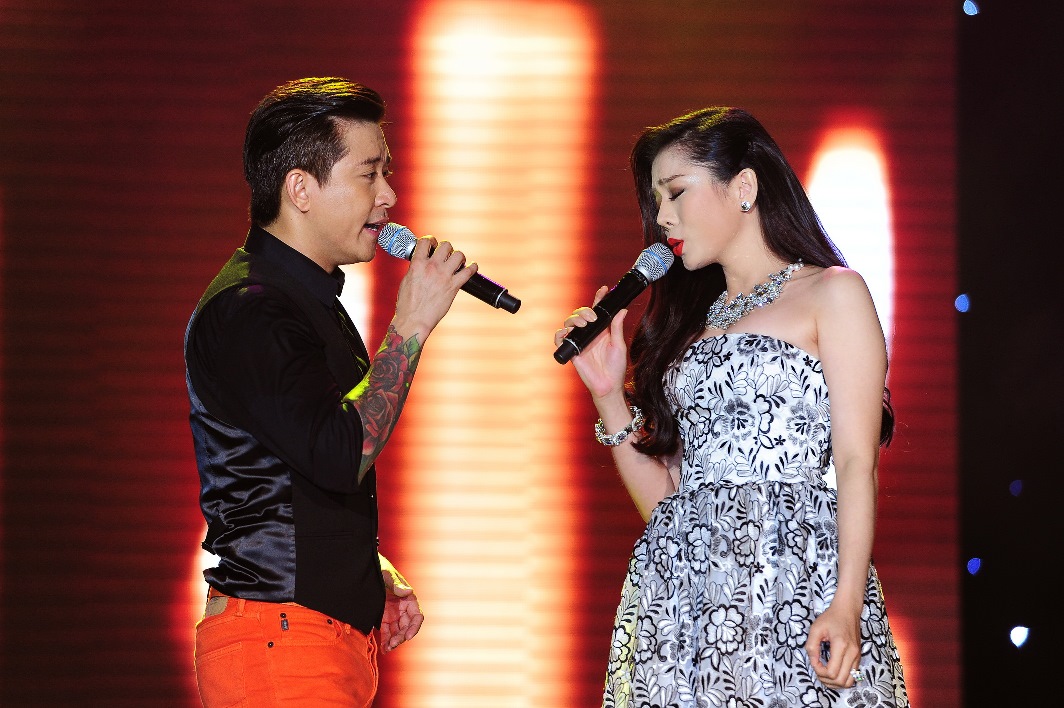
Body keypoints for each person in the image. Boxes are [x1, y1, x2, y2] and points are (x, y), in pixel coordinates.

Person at [556, 107, 909, 707]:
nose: (663, 218)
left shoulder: (831, 292)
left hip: (796, 585)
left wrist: (847, 601)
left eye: (676, 193)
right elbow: (670, 508)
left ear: (743, 186)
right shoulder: (687, 328)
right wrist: (608, 395)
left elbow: (856, 461)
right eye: (656, 201)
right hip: (685, 607)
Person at [184, 77, 477, 707]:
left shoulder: (301, 301)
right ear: (300, 189)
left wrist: (361, 571)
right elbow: (341, 453)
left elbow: (292, 470)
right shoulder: (251, 308)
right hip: (279, 639)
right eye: (369, 174)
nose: (389, 196)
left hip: (309, 635)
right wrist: (410, 325)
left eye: (386, 173)